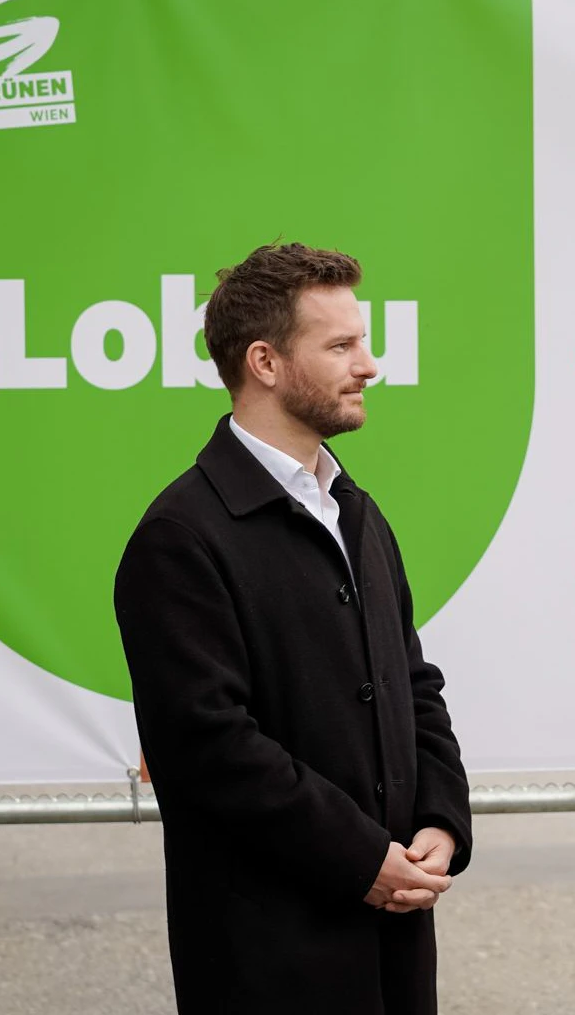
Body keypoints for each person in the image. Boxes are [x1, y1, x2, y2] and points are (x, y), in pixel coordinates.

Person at [115, 243, 471, 1015]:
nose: (368, 365)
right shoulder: (180, 536)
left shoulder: (357, 512)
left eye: (363, 341)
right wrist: (359, 857)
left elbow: (412, 684)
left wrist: (441, 819)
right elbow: (208, 750)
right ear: (266, 363)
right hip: (265, 956)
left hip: (394, 935)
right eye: (341, 346)